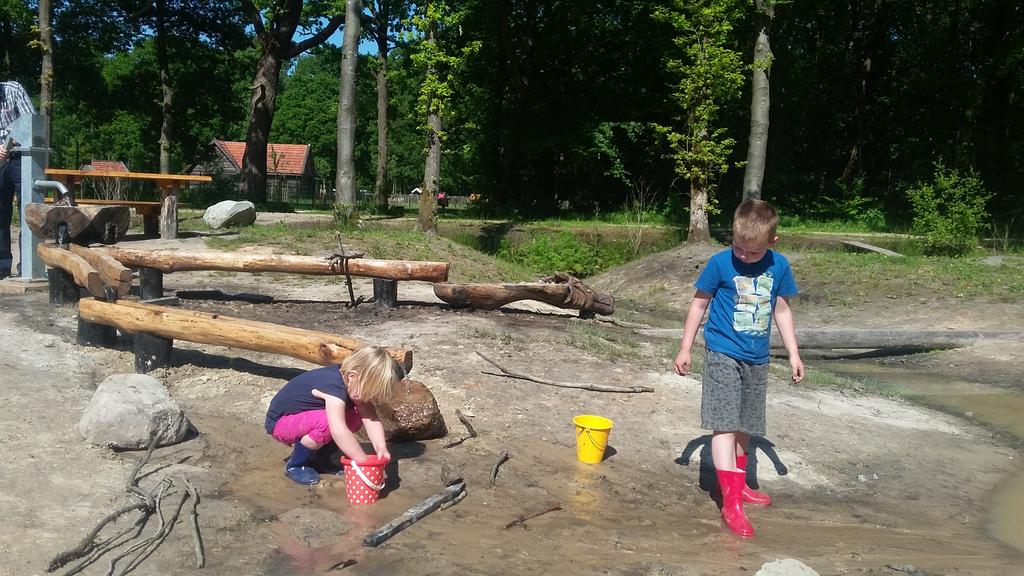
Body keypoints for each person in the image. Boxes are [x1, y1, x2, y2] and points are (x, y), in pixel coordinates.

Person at [673, 199, 805, 538]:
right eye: (739, 249)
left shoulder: (780, 266)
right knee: (725, 424)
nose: (744, 256)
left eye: (753, 253)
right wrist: (685, 348)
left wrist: (793, 354)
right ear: (732, 237)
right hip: (721, 352)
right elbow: (698, 304)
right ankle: (731, 502)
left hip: (757, 357)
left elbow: (783, 312)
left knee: (747, 424)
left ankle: (742, 485)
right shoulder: (719, 264)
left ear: (772, 243)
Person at [265, 345, 403, 485]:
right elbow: (338, 430)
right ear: (352, 377)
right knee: (327, 423)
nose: (368, 399)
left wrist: (381, 447)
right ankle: (296, 464)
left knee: (356, 415)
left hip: (305, 418)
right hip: (280, 423)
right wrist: (362, 462)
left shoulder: (353, 382)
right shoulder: (333, 386)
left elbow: (371, 419)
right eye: (368, 394)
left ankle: (321, 458)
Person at [0, 80, 36, 279]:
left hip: (21, 158)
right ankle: (2, 266)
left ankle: (28, 267)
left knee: (28, 213)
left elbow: (30, 122)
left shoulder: (13, 90)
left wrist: (11, 140)